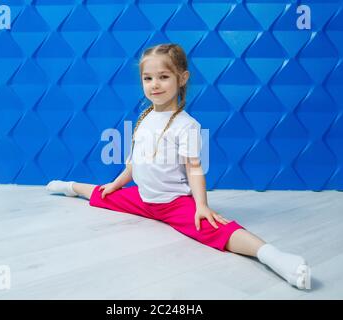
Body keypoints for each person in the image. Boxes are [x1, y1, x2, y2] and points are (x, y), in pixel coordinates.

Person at [46, 43, 311, 290]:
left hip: (173, 203)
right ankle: (69, 186)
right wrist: (117, 184)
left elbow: (194, 169)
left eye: (163, 76)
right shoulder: (144, 117)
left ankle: (274, 257)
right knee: (102, 193)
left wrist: (202, 205)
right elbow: (134, 163)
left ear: (181, 79)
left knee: (218, 229)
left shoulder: (187, 125)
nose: (154, 84)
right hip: (142, 197)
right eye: (147, 78)